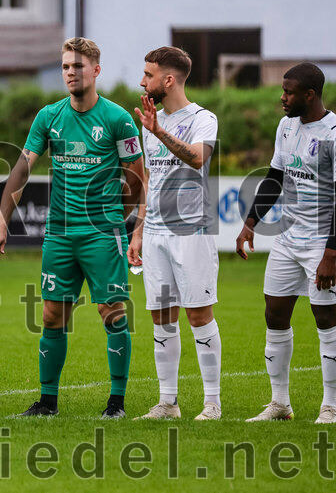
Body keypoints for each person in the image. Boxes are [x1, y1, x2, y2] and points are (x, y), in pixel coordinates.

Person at [0, 38, 145, 418]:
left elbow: (135, 177)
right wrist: (2, 221)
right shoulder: (49, 116)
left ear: (96, 71)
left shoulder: (118, 118)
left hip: (103, 233)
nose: (71, 73)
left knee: (112, 311)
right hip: (58, 233)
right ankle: (47, 402)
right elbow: (22, 168)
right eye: (66, 67)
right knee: (53, 315)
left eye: (78, 66)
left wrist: (118, 219)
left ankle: (116, 403)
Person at [237, 62, 336, 424]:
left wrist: (330, 254)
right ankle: (280, 404)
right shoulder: (286, 127)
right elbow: (274, 178)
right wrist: (250, 222)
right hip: (288, 238)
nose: (282, 98)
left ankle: (329, 406)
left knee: (326, 318)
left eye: (288, 93)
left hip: (323, 242)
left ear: (309, 95)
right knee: (274, 314)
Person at [127, 47, 222, 421]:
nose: (141, 81)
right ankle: (168, 403)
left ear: (168, 80)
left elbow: (198, 158)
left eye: (148, 74)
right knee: (162, 317)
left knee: (199, 315)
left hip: (191, 233)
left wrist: (159, 131)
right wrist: (138, 230)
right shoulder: (150, 122)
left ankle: (211, 404)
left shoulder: (203, 118)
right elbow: (150, 180)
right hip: (156, 235)